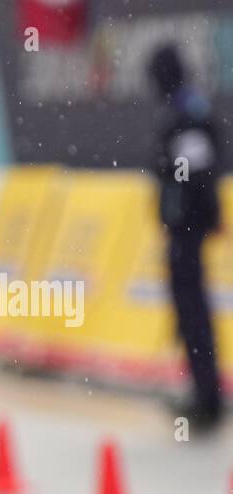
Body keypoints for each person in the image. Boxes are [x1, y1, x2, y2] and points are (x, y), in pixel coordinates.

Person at [149, 43, 224, 431]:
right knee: (190, 313)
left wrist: (182, 216)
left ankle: (207, 399)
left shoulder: (188, 116)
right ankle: (201, 391)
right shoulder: (187, 112)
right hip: (185, 230)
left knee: (194, 314)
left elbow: (193, 175)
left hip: (187, 233)